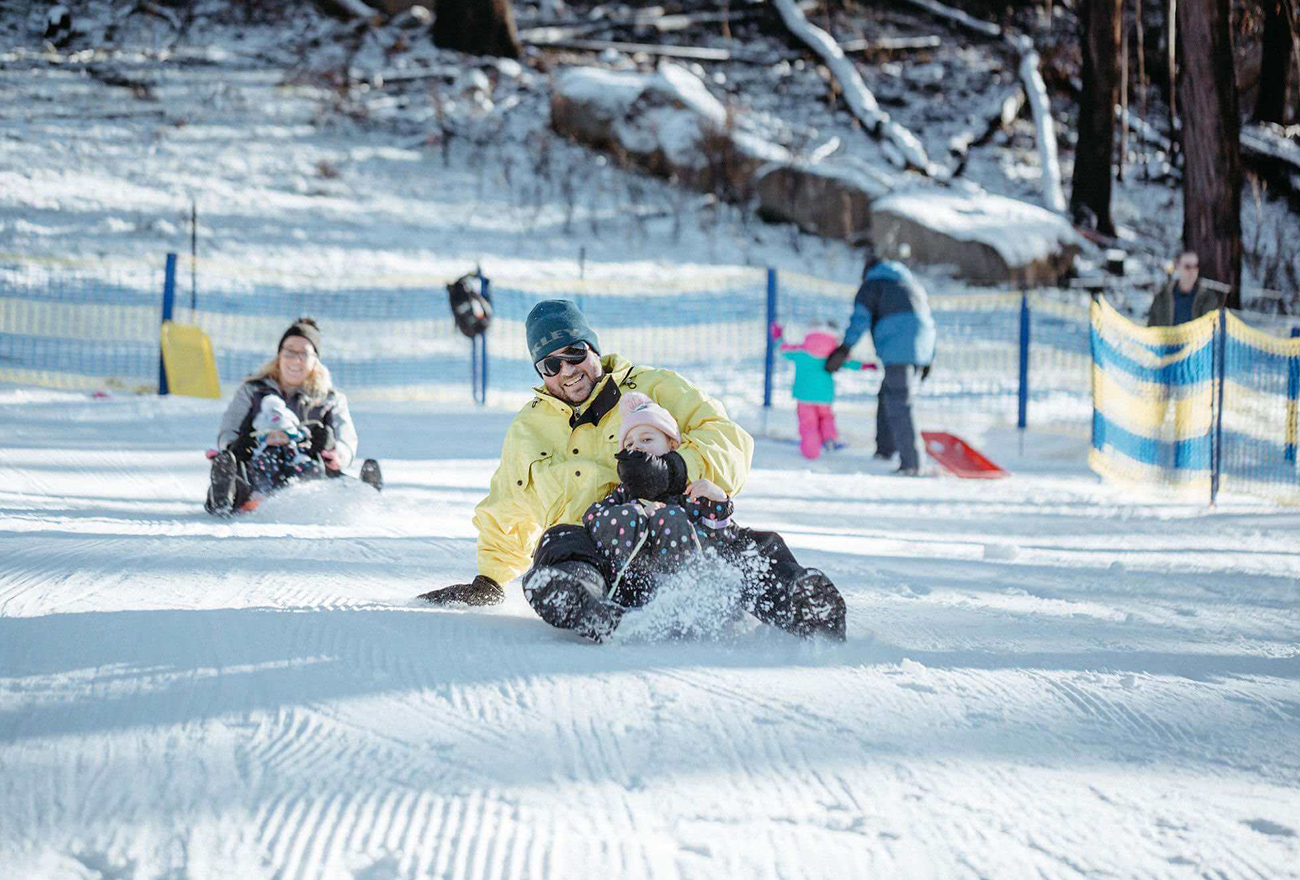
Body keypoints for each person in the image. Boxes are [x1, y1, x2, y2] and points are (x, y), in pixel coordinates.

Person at [417, 299, 846, 641]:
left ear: (593, 348)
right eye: (552, 364)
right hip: (597, 556)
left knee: (743, 543)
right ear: (540, 372)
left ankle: (799, 601)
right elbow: (506, 504)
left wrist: (674, 471)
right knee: (558, 543)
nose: (567, 371)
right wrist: (490, 578)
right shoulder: (528, 428)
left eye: (574, 353)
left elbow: (730, 439)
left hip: (674, 538)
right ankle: (582, 602)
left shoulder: (654, 386)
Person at [538, 392, 846, 641]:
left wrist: (718, 505)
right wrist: (634, 511)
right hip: (626, 590)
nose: (637, 449)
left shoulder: (689, 491)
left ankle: (798, 602)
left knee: (758, 545)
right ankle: (583, 598)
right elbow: (597, 520)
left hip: (696, 591)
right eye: (630, 445)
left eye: (648, 440)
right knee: (561, 536)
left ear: (672, 445)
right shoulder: (621, 496)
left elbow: (724, 537)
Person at [205, 317, 380, 515]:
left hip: (306, 466)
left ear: (315, 360)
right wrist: (235, 446)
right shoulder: (253, 390)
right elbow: (228, 429)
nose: (295, 360)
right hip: (259, 461)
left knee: (332, 478)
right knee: (243, 477)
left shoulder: (330, 399)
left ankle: (364, 494)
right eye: (289, 352)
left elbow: (346, 437)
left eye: (304, 354)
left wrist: (336, 454)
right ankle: (224, 495)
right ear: (279, 355)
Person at [825, 240, 936, 476]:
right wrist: (929, 357)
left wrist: (844, 349)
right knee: (888, 393)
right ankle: (886, 449)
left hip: (898, 348)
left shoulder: (873, 284)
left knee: (899, 401)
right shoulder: (910, 284)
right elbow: (927, 319)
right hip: (921, 346)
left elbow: (860, 319)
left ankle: (912, 463)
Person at [776, 321, 874, 460]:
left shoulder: (801, 352)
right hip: (825, 396)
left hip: (804, 397)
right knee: (826, 418)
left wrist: (778, 336)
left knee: (808, 423)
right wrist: (865, 365)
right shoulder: (832, 355)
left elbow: (783, 349)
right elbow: (850, 363)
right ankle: (829, 439)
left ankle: (811, 451)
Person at [1147, 250, 1218, 327]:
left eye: (1195, 266)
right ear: (1177, 266)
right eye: (1187, 267)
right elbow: (1151, 330)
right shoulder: (1161, 297)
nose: (1192, 271)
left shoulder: (1208, 298)